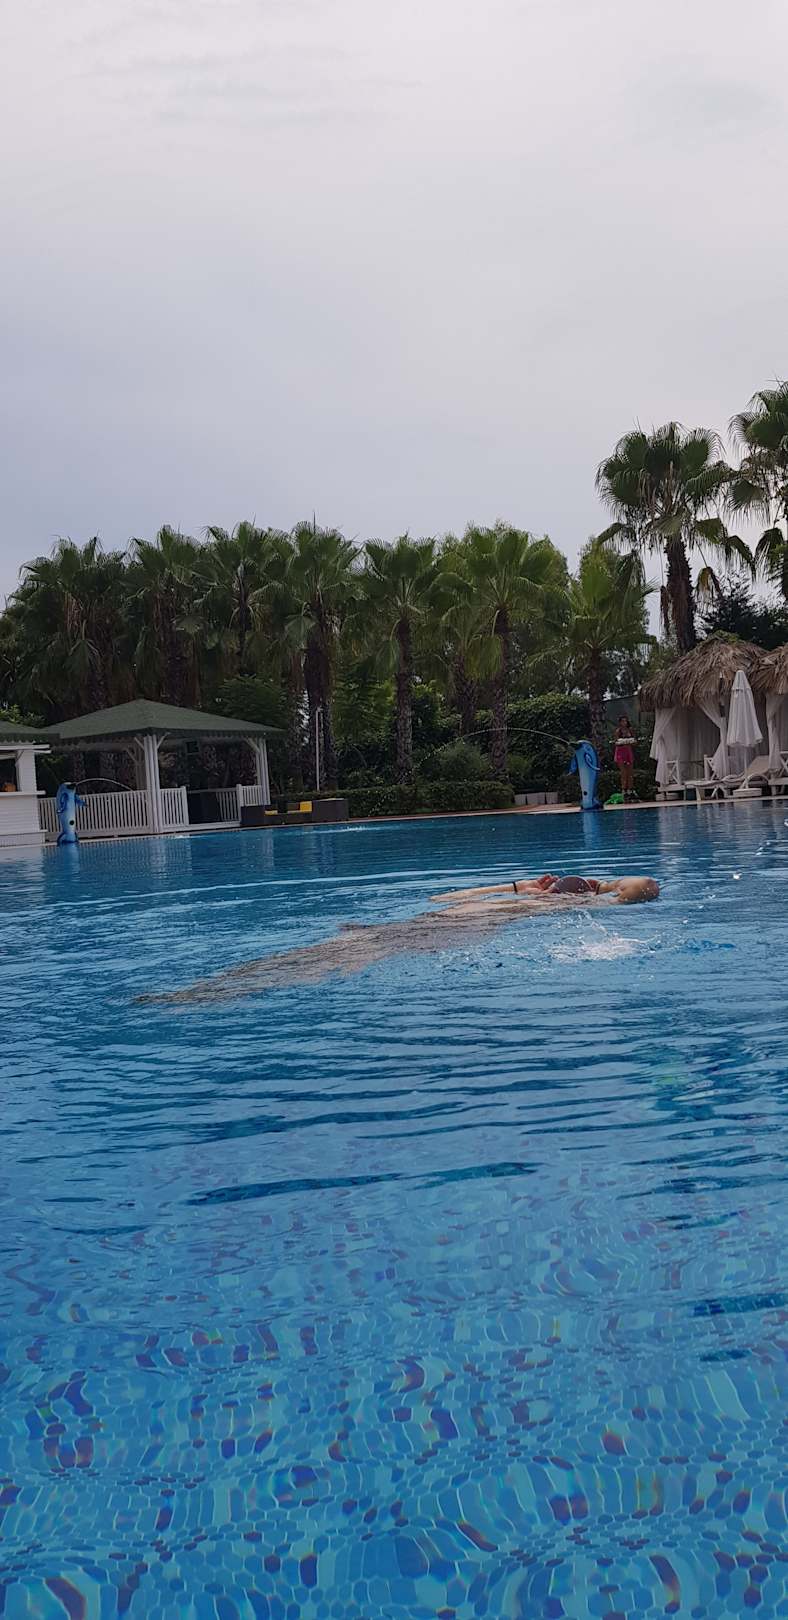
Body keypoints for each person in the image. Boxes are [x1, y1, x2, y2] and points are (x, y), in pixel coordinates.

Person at [137, 873, 659, 1005]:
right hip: (440, 935)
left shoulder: (540, 901)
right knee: (326, 961)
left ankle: (215, 989)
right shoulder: (539, 903)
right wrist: (586, 887)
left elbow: (443, 898)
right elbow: (641, 888)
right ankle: (218, 990)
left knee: (321, 958)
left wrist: (525, 886)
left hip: (431, 929)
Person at [613, 715, 637, 800]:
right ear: (620, 722)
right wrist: (622, 742)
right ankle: (624, 789)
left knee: (630, 772)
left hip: (628, 751)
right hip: (621, 751)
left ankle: (631, 789)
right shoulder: (618, 731)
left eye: (625, 721)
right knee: (623, 772)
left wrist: (630, 741)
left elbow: (635, 741)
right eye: (622, 721)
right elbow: (616, 742)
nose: (624, 723)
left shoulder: (630, 730)